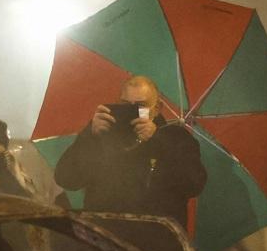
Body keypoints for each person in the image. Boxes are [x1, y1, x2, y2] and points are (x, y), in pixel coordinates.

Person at [53, 75, 206, 230]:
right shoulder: (102, 135)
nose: (132, 111)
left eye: (141, 106)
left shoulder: (175, 137)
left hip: (156, 241)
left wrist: (156, 141)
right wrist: (89, 136)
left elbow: (194, 184)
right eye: (126, 104)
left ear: (157, 108)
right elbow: (66, 179)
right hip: (104, 236)